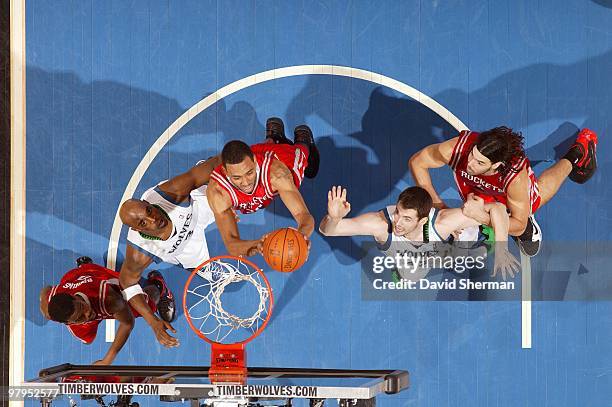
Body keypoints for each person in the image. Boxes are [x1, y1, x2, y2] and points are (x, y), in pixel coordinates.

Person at [409, 127, 598, 256]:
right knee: (458, 226)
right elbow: (417, 162)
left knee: (532, 203)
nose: (469, 164)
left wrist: (482, 218)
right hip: (474, 190)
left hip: (504, 193)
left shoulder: (514, 178)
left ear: (497, 165)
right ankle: (478, 222)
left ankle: (575, 156)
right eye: (473, 155)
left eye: (480, 162)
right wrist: (437, 205)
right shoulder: (457, 149)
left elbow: (519, 226)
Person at [118, 154, 221, 348]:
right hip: (186, 248)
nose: (153, 220)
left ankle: (278, 144)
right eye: (143, 223)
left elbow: (220, 160)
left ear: (149, 204)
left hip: (198, 209)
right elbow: (126, 282)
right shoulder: (141, 250)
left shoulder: (170, 194)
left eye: (149, 211)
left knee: (240, 185)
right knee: (214, 275)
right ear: (137, 229)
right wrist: (152, 321)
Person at [319, 186, 519, 280]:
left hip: (438, 248)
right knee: (409, 277)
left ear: (422, 220)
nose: (398, 222)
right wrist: (334, 218)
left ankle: (478, 247)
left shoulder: (442, 222)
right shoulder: (380, 225)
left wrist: (502, 249)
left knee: (466, 256)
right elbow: (327, 231)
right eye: (398, 213)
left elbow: (499, 209)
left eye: (407, 219)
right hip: (406, 259)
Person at [207, 117, 320, 257]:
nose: (245, 183)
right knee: (253, 154)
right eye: (237, 177)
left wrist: (301, 236)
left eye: (249, 173)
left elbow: (303, 215)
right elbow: (231, 245)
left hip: (281, 161)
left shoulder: (277, 175)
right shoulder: (218, 192)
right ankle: (274, 139)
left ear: (254, 163)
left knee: (299, 164)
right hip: (259, 153)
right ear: (225, 172)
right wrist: (260, 245)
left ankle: (303, 145)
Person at [39, 257, 171, 365]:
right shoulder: (50, 311)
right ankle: (84, 267)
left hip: (101, 283)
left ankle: (160, 287)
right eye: (79, 317)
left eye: (82, 307)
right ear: (67, 322)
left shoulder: (110, 299)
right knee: (88, 339)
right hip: (75, 279)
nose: (87, 314)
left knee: (145, 303)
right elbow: (46, 290)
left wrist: (107, 360)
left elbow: (127, 323)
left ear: (75, 297)